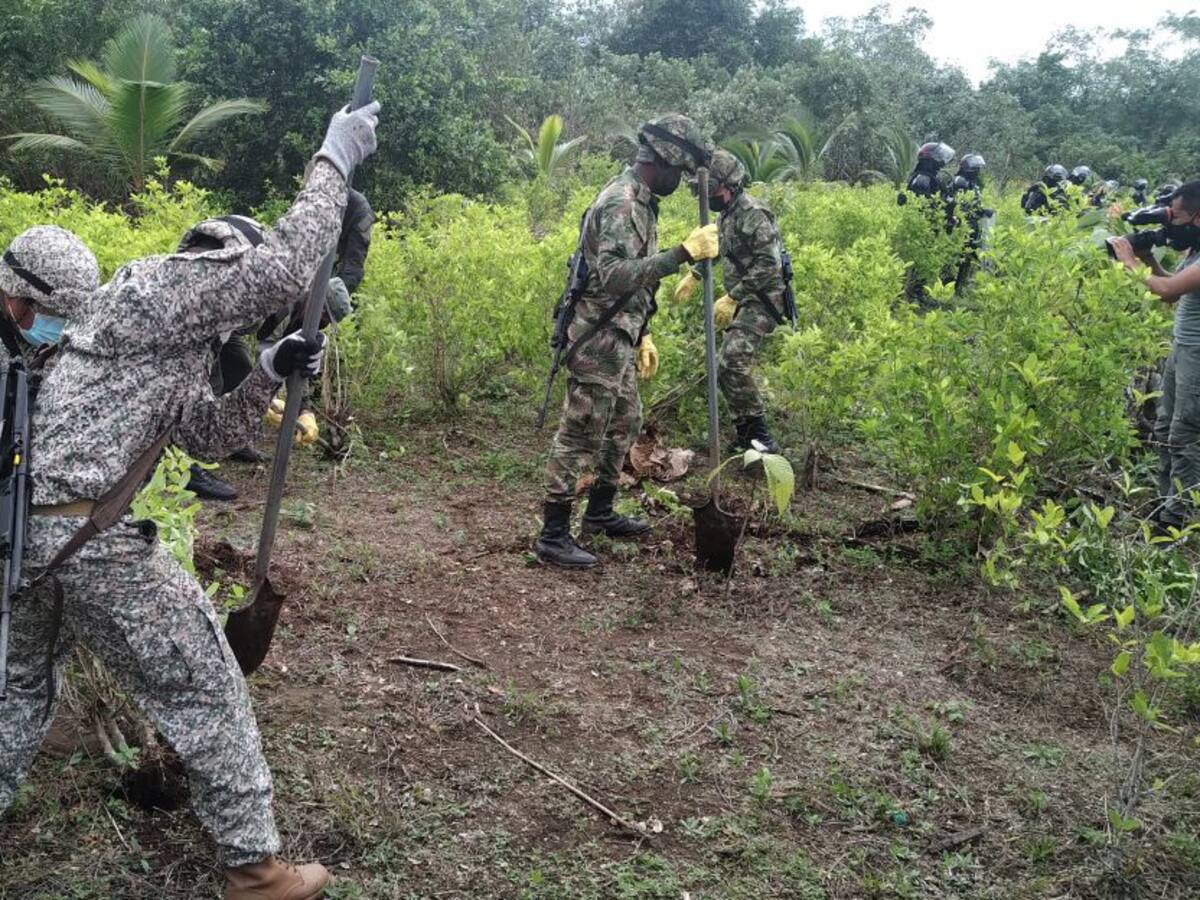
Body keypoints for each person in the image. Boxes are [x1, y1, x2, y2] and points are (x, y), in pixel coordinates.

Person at [0, 100, 381, 900]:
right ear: (219, 266)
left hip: (35, 538)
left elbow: (206, 435)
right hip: (89, 540)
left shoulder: (169, 346)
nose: (258, 310)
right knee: (205, 686)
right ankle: (254, 871)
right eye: (252, 304)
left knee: (24, 690)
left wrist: (270, 370)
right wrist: (334, 156)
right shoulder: (159, 286)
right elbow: (281, 268)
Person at [534, 114, 716, 570]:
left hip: (621, 333)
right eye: (680, 172)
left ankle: (599, 511)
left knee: (625, 419)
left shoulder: (643, 200)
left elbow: (631, 281)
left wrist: (644, 330)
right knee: (580, 431)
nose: (681, 181)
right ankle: (552, 535)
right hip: (597, 336)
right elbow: (614, 277)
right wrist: (681, 255)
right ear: (664, 162)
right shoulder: (622, 204)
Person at [674, 149, 786, 452]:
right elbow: (721, 247)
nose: (707, 197)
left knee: (731, 364)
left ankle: (761, 441)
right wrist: (696, 275)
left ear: (729, 186)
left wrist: (733, 297)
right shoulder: (727, 215)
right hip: (742, 297)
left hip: (762, 299)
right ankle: (744, 434)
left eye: (710, 191)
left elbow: (769, 264)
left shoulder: (754, 213)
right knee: (727, 366)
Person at [1108, 181, 1200, 532]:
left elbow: (1167, 289)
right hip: (1183, 347)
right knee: (1165, 425)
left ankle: (1176, 520)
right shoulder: (1194, 249)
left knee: (1185, 433)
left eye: (1176, 215)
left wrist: (1129, 261)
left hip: (1197, 354)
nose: (1171, 222)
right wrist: (1146, 259)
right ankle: (1165, 503)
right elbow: (1170, 294)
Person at [947, 153, 991, 292]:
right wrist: (980, 211)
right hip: (961, 224)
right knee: (957, 255)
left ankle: (960, 286)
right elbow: (963, 205)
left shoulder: (973, 184)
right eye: (976, 168)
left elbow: (974, 204)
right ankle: (948, 285)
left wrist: (982, 211)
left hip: (971, 224)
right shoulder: (961, 181)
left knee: (968, 255)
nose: (978, 171)